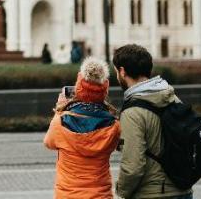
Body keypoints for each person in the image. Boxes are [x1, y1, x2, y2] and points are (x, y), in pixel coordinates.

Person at [114, 44, 192, 199]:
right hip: (183, 191)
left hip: (151, 193)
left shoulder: (132, 112)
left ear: (122, 72)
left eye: (116, 71)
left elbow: (133, 167)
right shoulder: (172, 97)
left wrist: (121, 192)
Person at [44, 56, 121, 198]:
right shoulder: (114, 126)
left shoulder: (60, 122)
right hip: (100, 195)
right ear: (104, 91)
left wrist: (60, 109)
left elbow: (49, 143)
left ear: (79, 87)